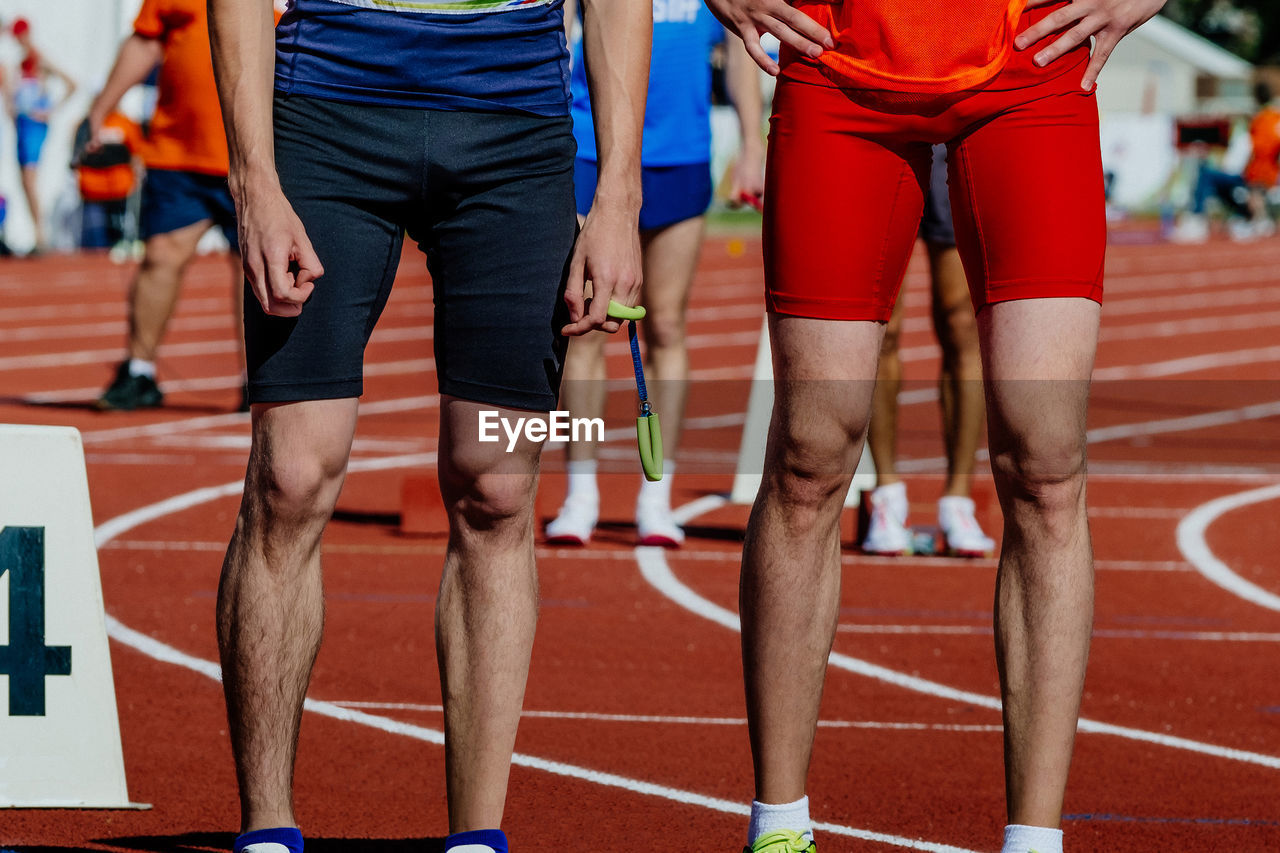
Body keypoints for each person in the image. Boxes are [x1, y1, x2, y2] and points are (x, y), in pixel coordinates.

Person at [700, 0, 1167, 850]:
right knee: (809, 455)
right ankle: (779, 828)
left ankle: (1034, 839)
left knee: (1046, 462)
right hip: (837, 56)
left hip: (1031, 61)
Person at [206, 0, 649, 850]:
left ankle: (477, 837)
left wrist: (618, 197)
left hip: (512, 115)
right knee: (291, 475)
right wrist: (253, 178)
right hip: (327, 98)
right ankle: (266, 828)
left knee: (498, 485)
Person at [545, 0, 765, 547]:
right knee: (585, 322)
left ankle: (655, 496)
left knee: (666, 326)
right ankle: (581, 493)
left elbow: (738, 45)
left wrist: (751, 146)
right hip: (590, 150)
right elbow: (566, 31)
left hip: (681, 154)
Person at [89, 0, 262, 412]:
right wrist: (99, 111)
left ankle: (260, 380)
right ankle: (139, 371)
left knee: (255, 264)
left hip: (262, 153)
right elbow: (146, 41)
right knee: (160, 257)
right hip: (178, 151)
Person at [861, 145, 995, 557]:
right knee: (882, 326)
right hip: (883, 131)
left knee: (960, 323)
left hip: (951, 133)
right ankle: (886, 497)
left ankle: (958, 501)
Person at [1171, 80, 1280, 244]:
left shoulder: (1263, 120)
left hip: (1254, 179)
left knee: (1207, 174)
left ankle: (1197, 220)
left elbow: (1259, 152)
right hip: (1262, 179)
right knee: (1213, 178)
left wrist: (1256, 185)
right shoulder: (1274, 117)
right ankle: (1245, 218)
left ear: (1256, 97)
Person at [7, 18, 77, 253]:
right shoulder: (16, 64)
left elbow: (71, 84)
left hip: (35, 127)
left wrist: (50, 110)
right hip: (23, 125)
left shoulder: (39, 60)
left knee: (29, 178)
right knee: (24, 182)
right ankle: (38, 233)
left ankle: (41, 235)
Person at [73, 109, 142, 251]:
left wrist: (137, 177)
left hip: (120, 189)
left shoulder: (125, 123)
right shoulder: (84, 125)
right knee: (94, 243)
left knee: (120, 239)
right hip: (92, 190)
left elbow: (136, 154)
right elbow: (76, 158)